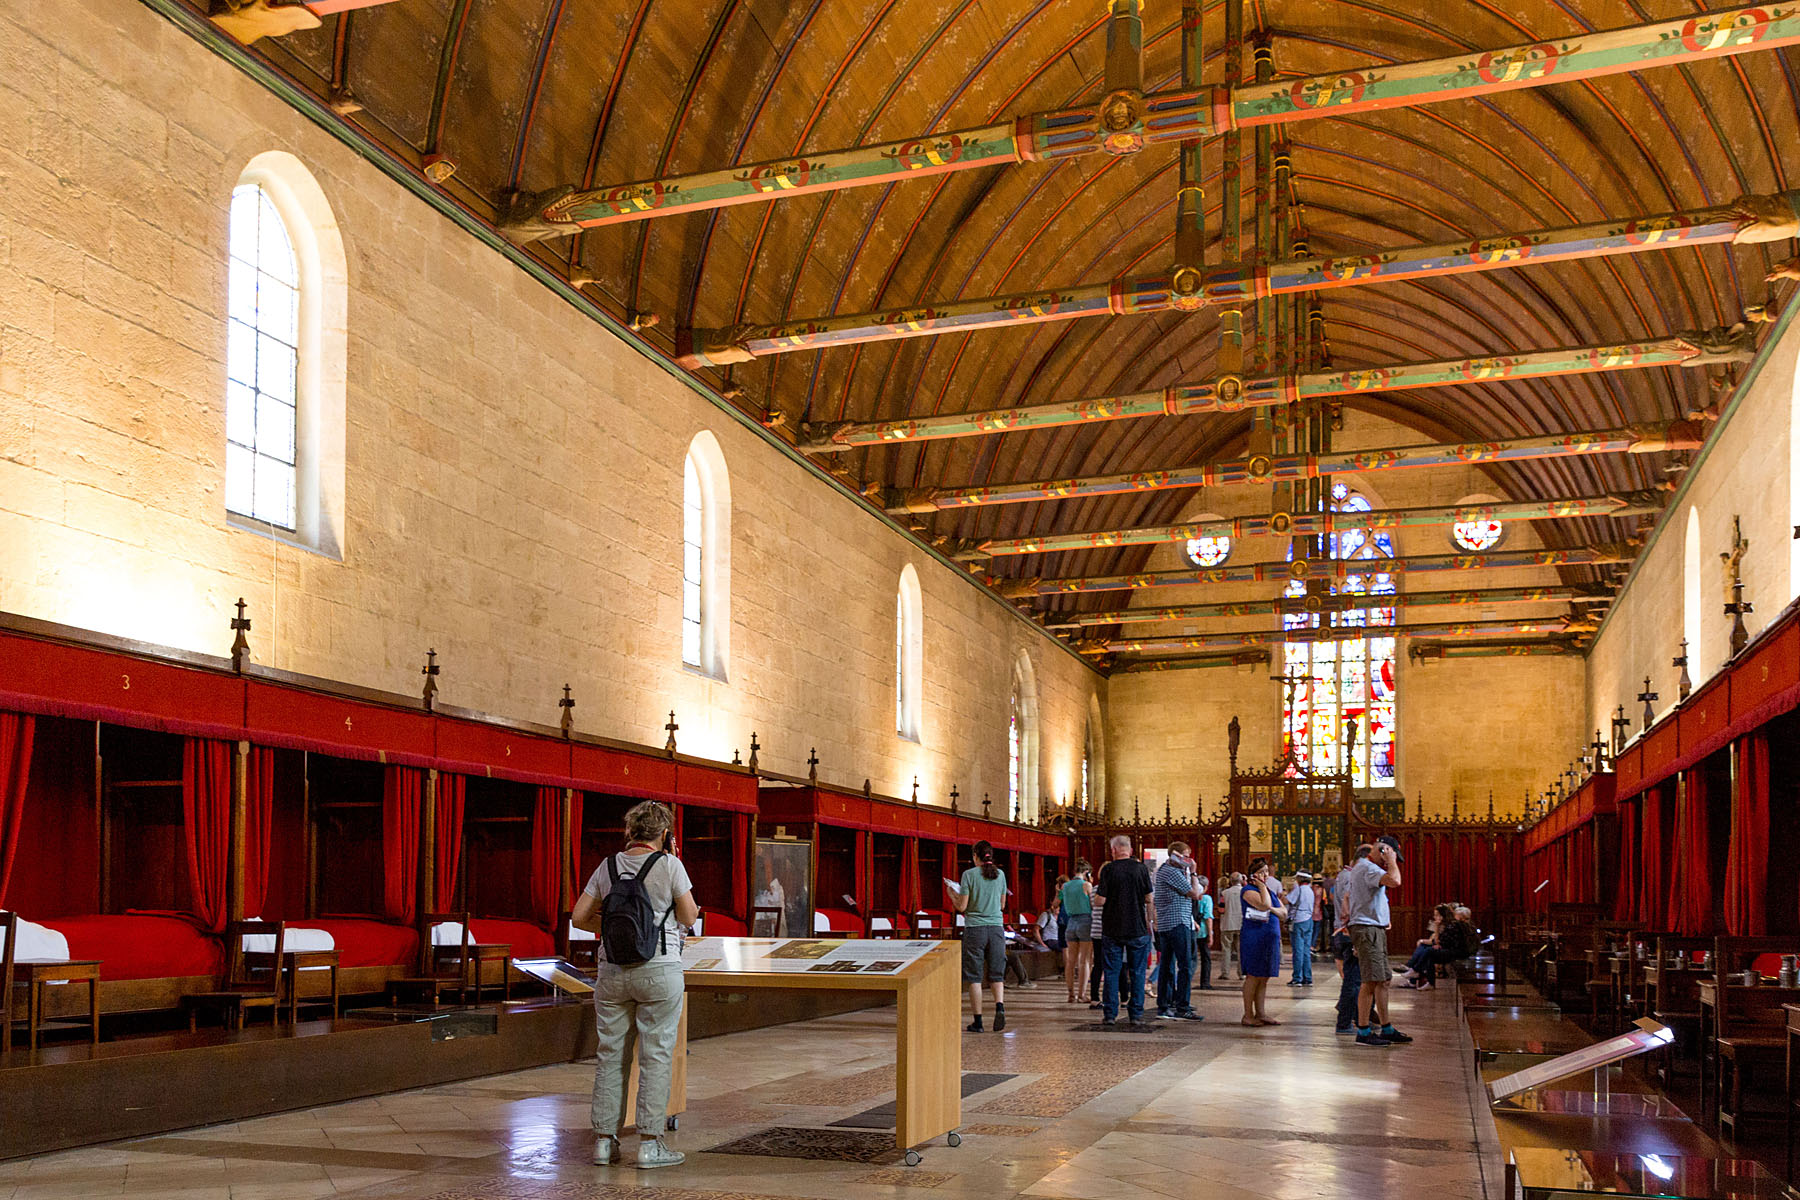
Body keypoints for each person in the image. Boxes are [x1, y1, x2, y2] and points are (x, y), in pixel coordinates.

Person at [571, 800, 698, 1169]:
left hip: (612, 970)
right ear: (665, 834)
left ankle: (604, 1142)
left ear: (629, 832)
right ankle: (649, 1144)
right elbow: (689, 915)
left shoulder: (607, 866)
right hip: (659, 969)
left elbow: (578, 917)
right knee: (655, 1056)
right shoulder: (670, 865)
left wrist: (614, 929)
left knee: (610, 1055)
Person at [1346, 835, 1410, 1047]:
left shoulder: (1368, 867)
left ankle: (1387, 1028)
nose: (1390, 861)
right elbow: (1395, 881)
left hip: (1374, 928)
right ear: (1383, 851)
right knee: (1370, 981)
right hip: (1367, 929)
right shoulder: (1367, 867)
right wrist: (1391, 862)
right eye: (1389, 855)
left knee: (1383, 980)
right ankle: (1363, 1031)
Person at [949, 839, 1009, 1031]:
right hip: (996, 928)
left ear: (975, 856)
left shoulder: (969, 875)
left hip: (975, 929)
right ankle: (999, 1007)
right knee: (996, 974)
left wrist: (952, 895)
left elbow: (962, 907)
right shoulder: (1000, 875)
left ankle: (978, 1021)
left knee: (974, 976)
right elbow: (1002, 905)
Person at [1096, 834, 1156, 1028]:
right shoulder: (1141, 869)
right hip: (1137, 927)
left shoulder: (1108, 869)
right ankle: (1136, 1014)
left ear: (1113, 850)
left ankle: (1110, 1014)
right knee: (1138, 972)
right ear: (1130, 850)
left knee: (1111, 972)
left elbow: (1100, 900)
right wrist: (1149, 921)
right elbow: (1149, 898)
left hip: (1112, 928)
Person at [1152, 842, 1204, 1021]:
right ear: (1176, 855)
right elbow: (1195, 893)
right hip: (1177, 923)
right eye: (1186, 856)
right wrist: (1194, 872)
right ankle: (1182, 1006)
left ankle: (1167, 1004)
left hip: (1170, 923)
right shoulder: (1171, 872)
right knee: (1184, 966)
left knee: (1168, 966)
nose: (1189, 860)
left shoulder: (1170, 871)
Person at [1239, 857, 1288, 1026]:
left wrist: (1272, 908)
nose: (1265, 875)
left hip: (1269, 938)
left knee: (1264, 976)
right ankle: (1248, 1015)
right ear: (1253, 874)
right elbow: (1264, 905)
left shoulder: (1269, 891)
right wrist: (1261, 886)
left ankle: (1261, 1013)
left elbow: (1284, 913)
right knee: (1253, 976)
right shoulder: (1248, 890)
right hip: (1255, 937)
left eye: (1266, 871)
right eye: (1261, 872)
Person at [1332, 855, 1365, 1036]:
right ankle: (1346, 1020)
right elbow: (1349, 904)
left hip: (1346, 930)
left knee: (1356, 979)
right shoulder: (1351, 877)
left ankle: (1359, 1016)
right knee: (1353, 980)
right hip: (1349, 932)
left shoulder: (1344, 875)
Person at [1061, 862, 1095, 1004]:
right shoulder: (1086, 885)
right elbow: (1093, 905)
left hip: (1071, 922)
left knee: (1071, 960)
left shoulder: (1065, 886)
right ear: (1087, 872)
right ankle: (1082, 995)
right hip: (1085, 921)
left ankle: (1071, 994)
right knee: (1084, 960)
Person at [1285, 871, 1317, 987]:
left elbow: (1287, 901)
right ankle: (1307, 978)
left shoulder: (1299, 889)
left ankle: (1297, 978)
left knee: (1298, 950)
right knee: (1306, 951)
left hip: (1298, 920)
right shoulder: (1310, 890)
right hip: (1309, 920)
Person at [1218, 872, 1244, 980]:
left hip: (1227, 923)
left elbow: (1221, 909)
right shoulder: (1245, 892)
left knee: (1226, 949)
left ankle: (1225, 973)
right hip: (1241, 923)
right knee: (1241, 950)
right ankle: (1242, 973)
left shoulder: (1224, 893)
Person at [1194, 874, 1215, 991]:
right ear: (1205, 887)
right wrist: (1210, 935)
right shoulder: (1207, 899)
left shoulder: (1192, 897)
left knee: (1191, 958)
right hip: (1203, 931)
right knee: (1205, 958)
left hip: (1192, 930)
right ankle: (1205, 982)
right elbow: (1208, 918)